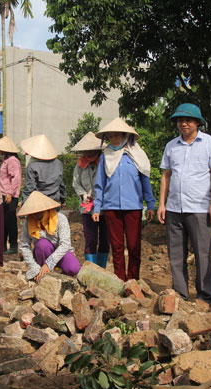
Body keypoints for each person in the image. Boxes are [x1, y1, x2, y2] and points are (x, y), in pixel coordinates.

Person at [157, 103, 211, 308]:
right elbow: (166, 175)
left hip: (199, 208)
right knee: (176, 253)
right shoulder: (171, 146)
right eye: (179, 120)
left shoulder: (210, 144)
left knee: (202, 253)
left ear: (197, 122)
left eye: (187, 120)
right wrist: (162, 204)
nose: (183, 123)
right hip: (175, 207)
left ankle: (204, 295)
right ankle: (180, 293)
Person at [93, 117, 156, 281]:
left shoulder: (137, 156)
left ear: (125, 136)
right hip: (111, 207)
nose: (113, 139)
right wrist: (97, 207)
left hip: (133, 206)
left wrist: (150, 204)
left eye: (116, 135)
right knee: (117, 246)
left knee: (135, 246)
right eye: (110, 136)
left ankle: (133, 280)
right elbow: (100, 184)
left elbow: (145, 180)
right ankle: (120, 279)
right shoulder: (106, 157)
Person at [19, 191, 81, 281]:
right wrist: (34, 266)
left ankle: (56, 271)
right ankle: (43, 273)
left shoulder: (60, 219)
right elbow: (24, 245)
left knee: (74, 268)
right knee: (42, 244)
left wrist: (49, 263)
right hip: (42, 254)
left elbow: (65, 244)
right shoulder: (28, 222)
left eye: (40, 211)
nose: (37, 214)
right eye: (34, 212)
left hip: (62, 253)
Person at [72, 131, 109, 268]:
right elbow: (76, 183)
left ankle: (102, 268)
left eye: (92, 150)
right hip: (87, 208)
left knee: (105, 239)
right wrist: (83, 195)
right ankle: (91, 269)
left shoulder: (105, 163)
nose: (89, 153)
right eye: (86, 151)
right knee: (90, 239)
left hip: (105, 207)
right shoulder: (80, 165)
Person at [0, 136, 22, 254]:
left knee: (10, 220)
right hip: (2, 193)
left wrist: (10, 193)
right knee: (2, 220)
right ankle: (2, 246)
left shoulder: (12, 160)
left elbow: (16, 177)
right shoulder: (6, 159)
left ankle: (13, 245)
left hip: (9, 195)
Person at [20, 134, 66, 204]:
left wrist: (25, 206)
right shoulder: (58, 163)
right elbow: (61, 184)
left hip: (39, 206)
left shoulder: (32, 166)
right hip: (54, 202)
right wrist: (62, 199)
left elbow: (29, 189)